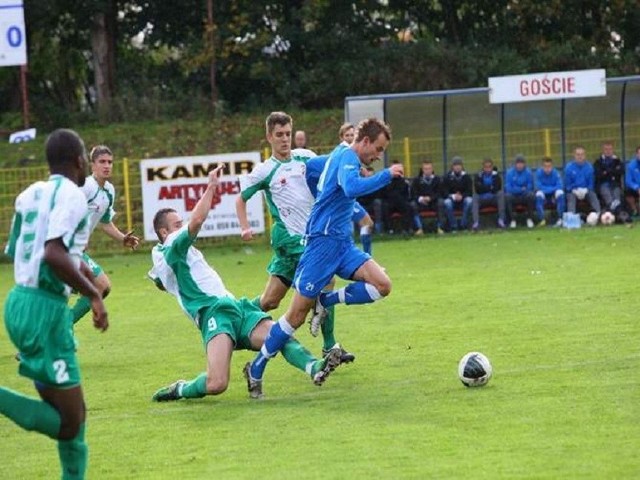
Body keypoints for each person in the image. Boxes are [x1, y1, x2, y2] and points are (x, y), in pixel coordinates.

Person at [149, 167, 341, 401]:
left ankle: (315, 367)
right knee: (217, 383)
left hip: (236, 307)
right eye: (177, 224)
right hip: (213, 314)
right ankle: (180, 389)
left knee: (279, 336)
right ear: (164, 232)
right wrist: (211, 187)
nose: (182, 227)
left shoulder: (166, 256)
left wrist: (167, 281)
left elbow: (159, 279)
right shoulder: (170, 245)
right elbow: (197, 220)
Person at [244, 118, 403, 394]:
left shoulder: (339, 156)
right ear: (364, 142)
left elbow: (313, 168)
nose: (378, 156)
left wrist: (319, 189)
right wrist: (386, 175)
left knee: (383, 285)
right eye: (377, 149)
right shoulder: (348, 158)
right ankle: (256, 367)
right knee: (294, 317)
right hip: (320, 247)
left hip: (342, 243)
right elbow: (351, 188)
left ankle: (327, 299)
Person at [1, 128, 109, 480]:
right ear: (80, 161)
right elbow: (53, 253)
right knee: (70, 421)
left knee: (73, 416)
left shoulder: (29, 193)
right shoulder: (74, 196)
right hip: (45, 311)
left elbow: (18, 252)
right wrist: (93, 294)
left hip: (19, 301)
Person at [236, 112, 354, 364]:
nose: (285, 139)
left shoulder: (307, 157)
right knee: (327, 278)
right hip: (289, 240)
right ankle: (329, 345)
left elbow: (332, 172)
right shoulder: (264, 171)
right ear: (269, 137)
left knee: (269, 301)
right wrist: (245, 227)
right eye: (279, 135)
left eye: (288, 134)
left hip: (311, 236)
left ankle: (236, 314)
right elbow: (241, 198)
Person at [70, 145, 140, 324]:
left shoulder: (109, 191)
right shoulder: (86, 186)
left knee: (101, 287)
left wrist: (122, 238)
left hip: (75, 250)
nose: (107, 165)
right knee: (100, 286)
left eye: (110, 162)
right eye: (102, 162)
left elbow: (105, 222)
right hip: (64, 246)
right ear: (92, 165)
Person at [382, 160, 423, 235]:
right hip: (389, 202)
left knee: (408, 207)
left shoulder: (404, 182)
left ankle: (406, 229)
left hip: (402, 202)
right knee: (384, 207)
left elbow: (408, 195)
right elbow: (384, 194)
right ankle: (389, 230)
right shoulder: (386, 181)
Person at [471, 158, 506, 231]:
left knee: (500, 194)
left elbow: (497, 188)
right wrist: (490, 187)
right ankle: (476, 223)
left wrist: (484, 188)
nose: (488, 169)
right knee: (475, 197)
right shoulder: (478, 176)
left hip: (493, 198)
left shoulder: (496, 176)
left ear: (492, 167)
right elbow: (478, 189)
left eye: (489, 167)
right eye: (486, 167)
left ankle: (501, 220)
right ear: (483, 168)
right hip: (482, 199)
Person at [565, 146, 601, 216]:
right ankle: (571, 217)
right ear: (574, 156)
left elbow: (591, 183)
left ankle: (598, 215)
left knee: (593, 195)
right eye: (578, 154)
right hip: (573, 191)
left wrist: (586, 190)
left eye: (582, 154)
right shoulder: (569, 167)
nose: (580, 157)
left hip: (586, 190)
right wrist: (574, 190)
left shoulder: (589, 167)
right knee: (570, 197)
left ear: (585, 156)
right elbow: (567, 185)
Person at [441, 156, 472, 231]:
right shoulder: (447, 177)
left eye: (459, 165)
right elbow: (444, 192)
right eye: (455, 165)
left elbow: (469, 192)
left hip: (463, 200)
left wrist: (462, 196)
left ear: (462, 166)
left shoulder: (467, 177)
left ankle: (463, 225)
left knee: (469, 201)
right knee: (447, 202)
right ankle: (453, 226)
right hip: (452, 200)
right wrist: (453, 196)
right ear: (452, 166)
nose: (457, 167)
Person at [410, 161, 443, 233]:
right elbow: (413, 194)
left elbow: (439, 193)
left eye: (429, 168)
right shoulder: (417, 180)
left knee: (441, 203)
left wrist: (430, 198)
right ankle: (419, 228)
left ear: (432, 169)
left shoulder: (437, 180)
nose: (427, 171)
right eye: (425, 169)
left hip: (433, 203)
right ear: (422, 170)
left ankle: (439, 227)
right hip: (420, 203)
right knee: (412, 205)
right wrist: (421, 199)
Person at [505, 154, 535, 228]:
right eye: (518, 163)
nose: (519, 165)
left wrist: (517, 189)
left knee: (531, 196)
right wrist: (521, 189)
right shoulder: (509, 173)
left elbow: (530, 186)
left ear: (524, 164)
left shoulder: (528, 172)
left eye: (521, 163)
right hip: (514, 196)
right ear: (515, 164)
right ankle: (512, 220)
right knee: (507, 197)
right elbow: (508, 188)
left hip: (524, 195)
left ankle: (529, 219)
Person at [593, 141, 624, 214]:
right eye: (606, 149)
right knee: (609, 199)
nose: (608, 151)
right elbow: (598, 175)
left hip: (615, 185)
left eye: (610, 149)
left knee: (617, 199)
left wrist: (606, 172)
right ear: (603, 150)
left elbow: (621, 171)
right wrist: (613, 171)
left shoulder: (617, 161)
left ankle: (615, 214)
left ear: (612, 150)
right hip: (603, 185)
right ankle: (615, 213)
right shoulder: (598, 162)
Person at [534, 156, 565, 227]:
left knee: (560, 193)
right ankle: (542, 219)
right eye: (545, 166)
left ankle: (560, 219)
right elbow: (538, 186)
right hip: (544, 194)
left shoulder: (556, 173)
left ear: (552, 166)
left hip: (553, 194)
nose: (547, 168)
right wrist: (551, 189)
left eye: (549, 166)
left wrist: (548, 189)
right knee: (538, 194)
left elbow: (560, 185)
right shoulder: (538, 173)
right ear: (542, 166)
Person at [624, 146, 640, 216]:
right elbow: (628, 181)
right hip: (635, 188)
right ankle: (634, 210)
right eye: (639, 153)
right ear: (636, 154)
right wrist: (637, 187)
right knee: (627, 191)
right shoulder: (631, 165)